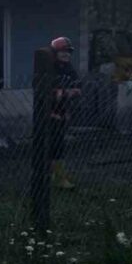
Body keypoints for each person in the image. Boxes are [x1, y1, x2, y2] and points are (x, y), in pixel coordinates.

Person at [48, 36, 82, 189]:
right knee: (51, 145)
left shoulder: (69, 69)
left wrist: (65, 92)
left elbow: (77, 88)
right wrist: (63, 92)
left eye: (68, 52)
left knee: (59, 145)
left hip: (63, 111)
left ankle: (57, 175)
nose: (66, 54)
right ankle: (56, 178)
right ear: (55, 53)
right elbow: (47, 92)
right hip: (48, 112)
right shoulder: (49, 68)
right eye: (63, 52)